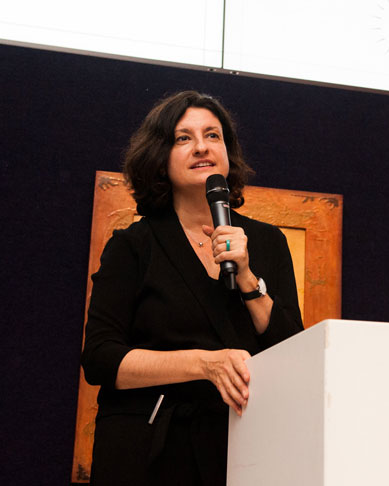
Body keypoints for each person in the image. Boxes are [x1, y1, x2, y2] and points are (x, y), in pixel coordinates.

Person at [81, 90, 303, 485]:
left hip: (242, 449)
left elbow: (291, 353)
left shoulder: (267, 242)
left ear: (227, 152)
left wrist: (249, 279)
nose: (201, 146)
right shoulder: (134, 245)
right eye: (183, 138)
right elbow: (101, 358)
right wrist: (204, 364)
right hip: (151, 450)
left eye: (212, 135)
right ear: (160, 157)